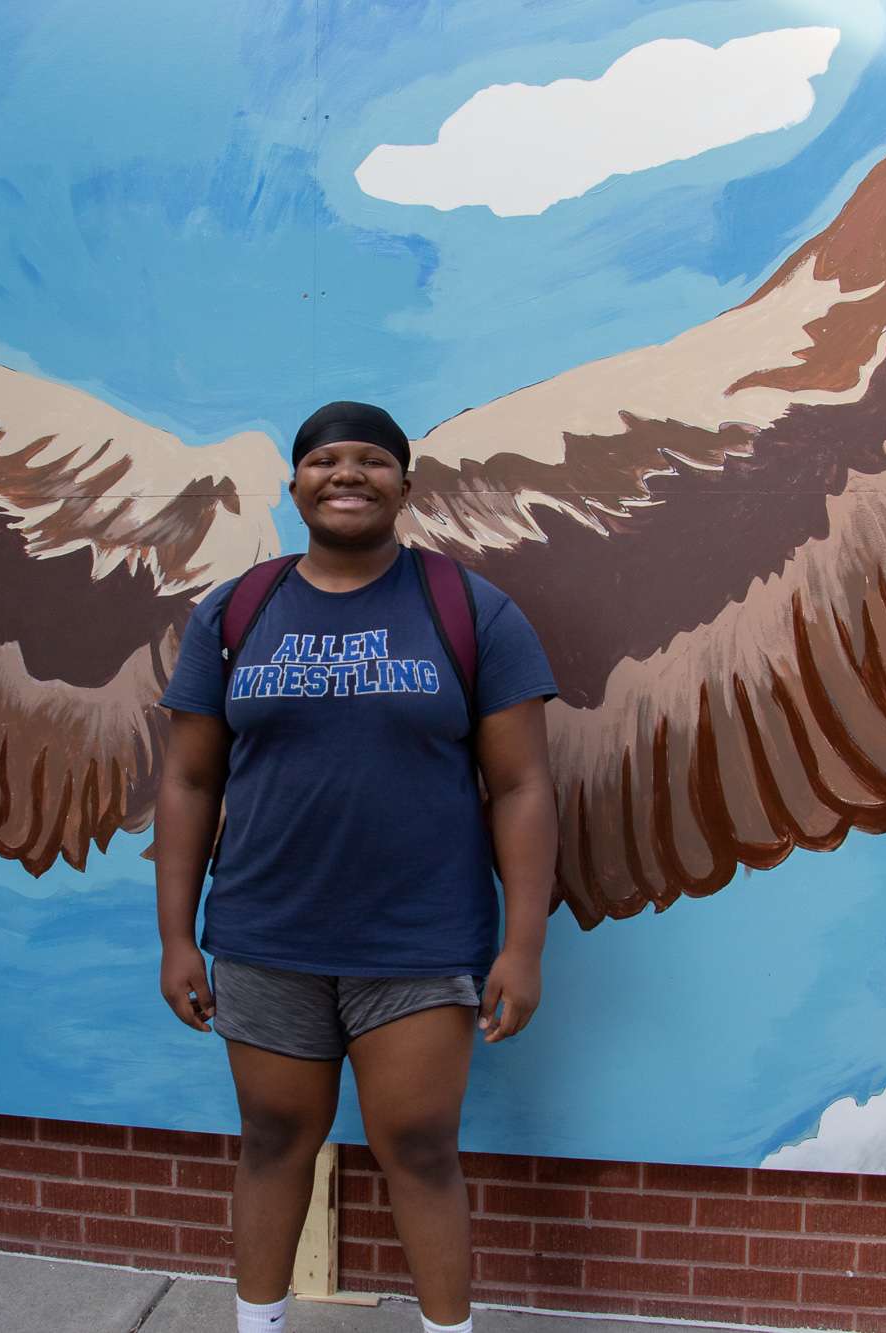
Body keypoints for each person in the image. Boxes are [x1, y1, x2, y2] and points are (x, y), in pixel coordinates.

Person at [155, 401, 560, 1333]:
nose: (349, 474)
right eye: (326, 459)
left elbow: (524, 785)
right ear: (293, 484)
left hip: (418, 941)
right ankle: (258, 1327)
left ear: (405, 487)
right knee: (273, 1139)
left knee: (419, 1147)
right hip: (267, 937)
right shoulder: (237, 611)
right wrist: (176, 934)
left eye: (373, 460)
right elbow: (186, 778)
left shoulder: (467, 608)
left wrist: (524, 944)